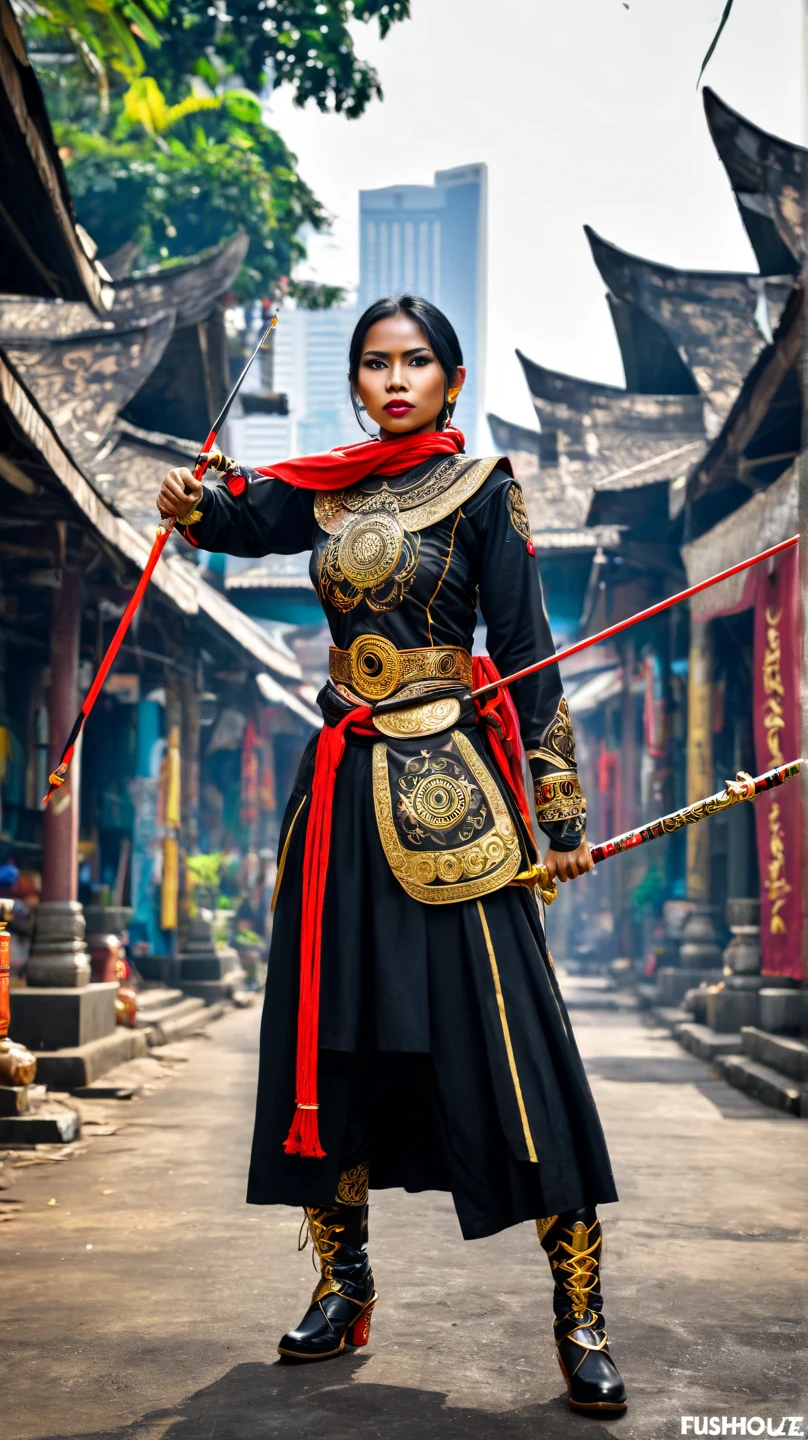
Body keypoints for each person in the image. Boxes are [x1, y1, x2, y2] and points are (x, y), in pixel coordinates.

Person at [156, 295, 626, 1415]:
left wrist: (557, 816)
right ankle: (343, 1283)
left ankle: (579, 1311)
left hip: (454, 796)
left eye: (418, 362)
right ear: (356, 383)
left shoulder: (482, 492)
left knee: (516, 1048)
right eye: (377, 364)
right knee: (332, 1041)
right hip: (339, 805)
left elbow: (524, 654)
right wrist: (188, 503)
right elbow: (234, 519)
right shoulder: (323, 490)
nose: (397, 378)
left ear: (449, 381)